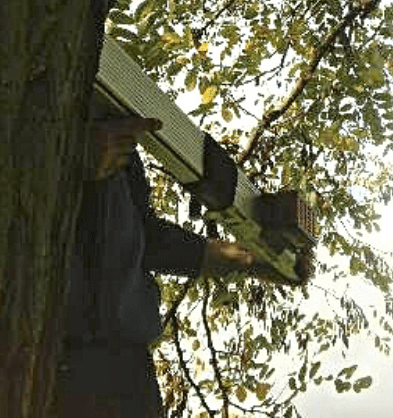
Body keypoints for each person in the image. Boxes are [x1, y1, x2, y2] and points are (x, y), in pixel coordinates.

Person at [54, 114, 312, 417]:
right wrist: (77, 168)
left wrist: (254, 260)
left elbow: (150, 239)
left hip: (127, 365)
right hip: (58, 351)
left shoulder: (117, 130)